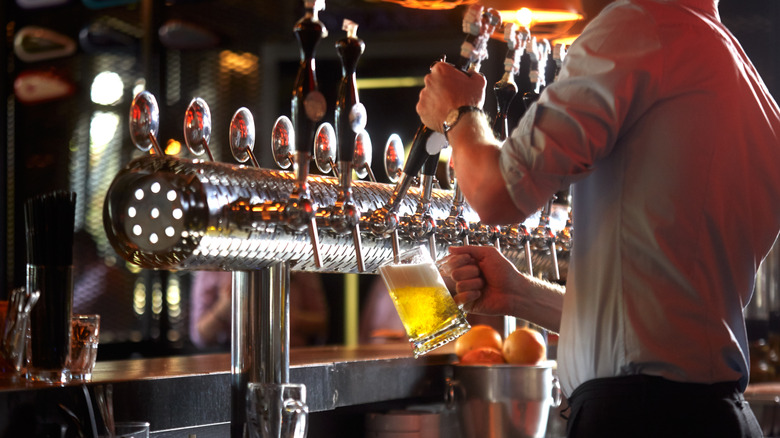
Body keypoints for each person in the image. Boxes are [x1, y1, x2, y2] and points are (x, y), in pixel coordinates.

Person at [416, 0, 780, 436]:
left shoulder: (638, 25)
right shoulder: (748, 84)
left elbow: (497, 193)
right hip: (714, 415)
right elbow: (659, 320)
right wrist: (521, 295)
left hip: (641, 418)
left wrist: (459, 114)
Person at [189, 271, 329, 349]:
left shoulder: (296, 258)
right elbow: (199, 335)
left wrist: (291, 318)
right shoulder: (212, 266)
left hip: (290, 355)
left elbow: (322, 323)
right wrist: (224, 306)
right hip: (232, 358)